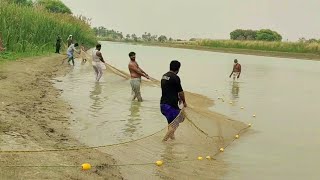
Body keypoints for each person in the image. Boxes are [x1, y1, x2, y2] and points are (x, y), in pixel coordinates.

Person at [160, 60, 187, 141]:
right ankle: (163, 141)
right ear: (178, 69)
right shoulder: (175, 77)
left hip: (163, 105)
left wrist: (177, 98)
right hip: (171, 106)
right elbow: (181, 92)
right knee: (180, 119)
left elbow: (169, 90)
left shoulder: (164, 76)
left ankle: (172, 141)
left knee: (171, 124)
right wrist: (184, 102)